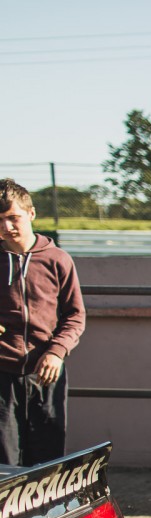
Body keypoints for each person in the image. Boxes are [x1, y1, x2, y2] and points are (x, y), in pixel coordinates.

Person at [0, 179, 86, 467]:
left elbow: (75, 315)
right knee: (5, 461)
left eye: (14, 218)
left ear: (31, 214)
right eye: (0, 220)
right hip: (2, 376)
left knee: (48, 460)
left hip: (46, 374)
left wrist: (56, 352)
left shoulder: (58, 260)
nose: (7, 227)